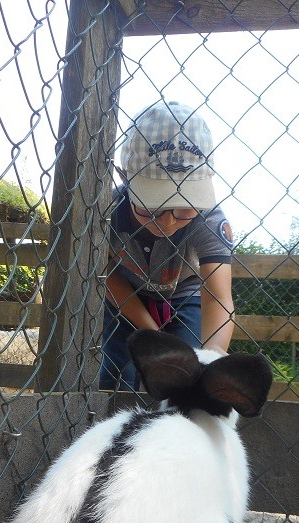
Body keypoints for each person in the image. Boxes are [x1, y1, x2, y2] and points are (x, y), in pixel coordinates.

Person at [101, 100, 235, 391]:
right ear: (125, 178)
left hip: (184, 293)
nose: (168, 222)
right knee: (113, 372)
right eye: (151, 208)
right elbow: (106, 273)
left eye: (184, 210)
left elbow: (218, 297)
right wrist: (151, 332)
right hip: (125, 291)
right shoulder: (107, 210)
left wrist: (212, 355)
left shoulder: (209, 216)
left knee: (183, 372)